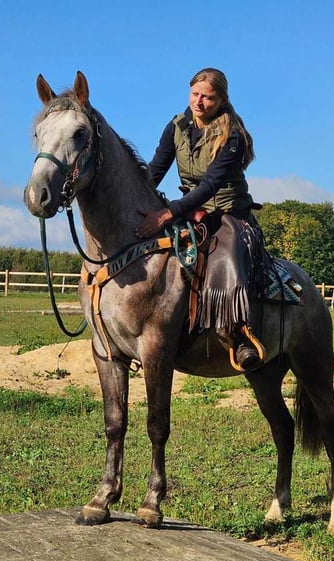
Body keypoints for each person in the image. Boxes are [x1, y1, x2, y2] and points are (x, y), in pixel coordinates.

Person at [135, 67, 263, 371]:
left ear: (221, 100)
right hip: (188, 211)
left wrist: (167, 212)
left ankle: (239, 331)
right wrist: (137, 198)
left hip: (228, 212)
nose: (199, 102)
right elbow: (155, 170)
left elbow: (210, 185)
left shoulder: (234, 135)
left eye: (208, 97)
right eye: (195, 94)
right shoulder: (176, 126)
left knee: (226, 256)